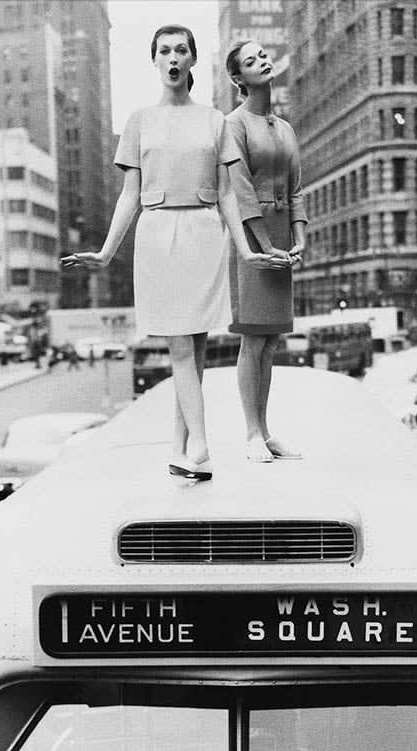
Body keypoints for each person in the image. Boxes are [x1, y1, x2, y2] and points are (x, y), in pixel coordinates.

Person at [62, 24, 287, 481]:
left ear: (191, 61)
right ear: (154, 60)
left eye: (180, 50)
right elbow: (130, 193)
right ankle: (200, 447)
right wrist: (106, 253)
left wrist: (244, 249)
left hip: (204, 232)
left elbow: (227, 194)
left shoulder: (213, 120)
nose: (172, 57)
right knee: (180, 347)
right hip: (158, 233)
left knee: (197, 348)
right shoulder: (139, 120)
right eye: (163, 50)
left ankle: (181, 446)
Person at [225, 39, 307, 462]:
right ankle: (251, 433)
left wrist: (299, 236)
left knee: (271, 339)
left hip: (280, 235)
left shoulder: (286, 127)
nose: (263, 61)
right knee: (253, 338)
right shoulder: (234, 124)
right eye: (251, 60)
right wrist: (265, 244)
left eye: (264, 55)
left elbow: (295, 188)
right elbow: (239, 191)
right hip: (250, 237)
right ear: (239, 79)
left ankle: (267, 430)